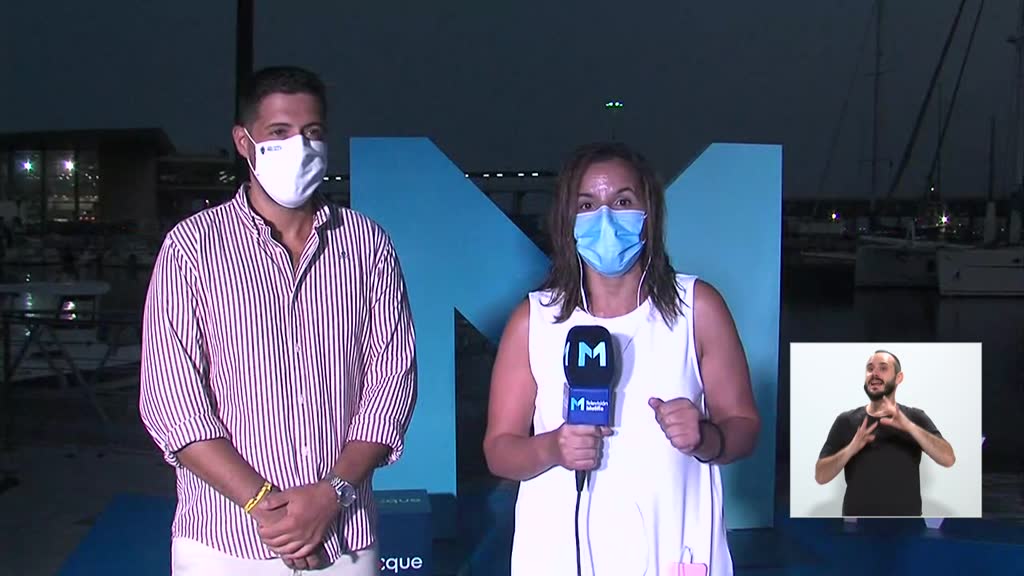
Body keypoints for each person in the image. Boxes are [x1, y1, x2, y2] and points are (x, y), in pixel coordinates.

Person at [139, 66, 417, 575]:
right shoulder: (191, 248)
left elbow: (391, 382)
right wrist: (267, 507)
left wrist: (331, 494)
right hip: (223, 542)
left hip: (344, 536)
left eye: (313, 132)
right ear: (244, 142)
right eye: (279, 132)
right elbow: (172, 401)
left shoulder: (368, 244)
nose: (300, 147)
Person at [483, 142, 761, 576]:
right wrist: (552, 447)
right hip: (558, 555)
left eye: (623, 201)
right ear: (567, 220)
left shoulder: (698, 308)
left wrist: (706, 437)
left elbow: (744, 426)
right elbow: (500, 450)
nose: (606, 218)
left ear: (650, 213)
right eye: (587, 205)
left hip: (673, 546)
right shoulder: (532, 320)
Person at [814, 350, 955, 516]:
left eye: (883, 368)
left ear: (898, 377)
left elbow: (948, 458)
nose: (874, 373)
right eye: (870, 368)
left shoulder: (915, 417)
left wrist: (909, 426)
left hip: (906, 526)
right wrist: (851, 448)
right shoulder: (846, 421)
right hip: (857, 526)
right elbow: (821, 476)